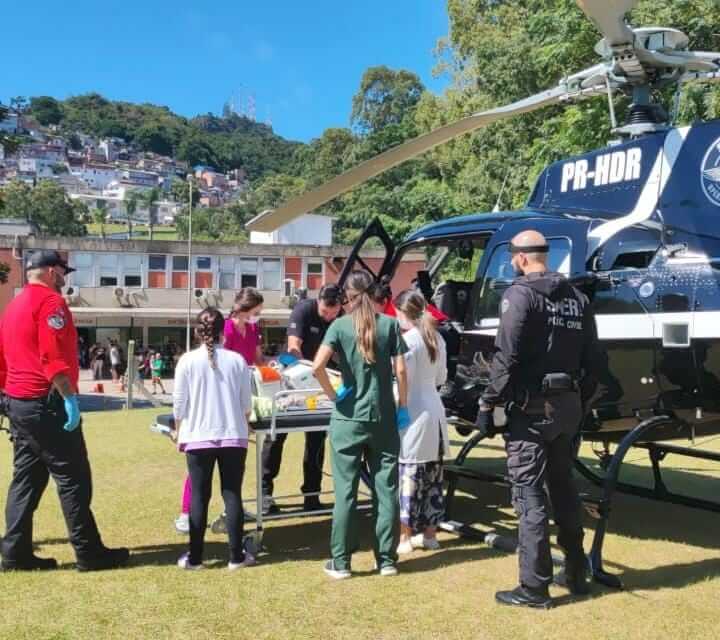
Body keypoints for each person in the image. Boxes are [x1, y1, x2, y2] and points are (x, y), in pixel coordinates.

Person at [475, 230, 603, 609]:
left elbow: (506, 357)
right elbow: (596, 361)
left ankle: (534, 587)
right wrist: (579, 400)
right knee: (563, 488)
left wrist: (487, 404)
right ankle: (577, 573)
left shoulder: (520, 294)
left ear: (519, 258)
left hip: (531, 411)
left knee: (528, 496)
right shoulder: (578, 299)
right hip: (568, 408)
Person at [0, 250, 129, 571]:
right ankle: (89, 552)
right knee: (73, 478)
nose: (65, 278)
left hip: (19, 402)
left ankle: (15, 553)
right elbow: (52, 356)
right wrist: (69, 397)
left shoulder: (13, 306)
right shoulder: (51, 304)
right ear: (49, 271)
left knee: (26, 480)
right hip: (47, 401)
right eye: (62, 272)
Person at [312, 270, 410, 579]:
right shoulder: (391, 325)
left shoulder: (339, 326)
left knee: (346, 492)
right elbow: (402, 371)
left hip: (348, 418)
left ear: (350, 298)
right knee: (386, 489)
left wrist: (335, 396)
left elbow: (317, 366)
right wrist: (402, 406)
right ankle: (387, 560)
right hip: (383, 418)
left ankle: (341, 562)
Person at [172, 307, 255, 570]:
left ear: (198, 331)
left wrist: (177, 429)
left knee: (199, 496)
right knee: (232, 494)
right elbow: (246, 403)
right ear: (223, 331)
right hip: (232, 435)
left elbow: (179, 404)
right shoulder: (237, 361)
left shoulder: (186, 360)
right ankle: (236, 556)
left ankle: (195, 557)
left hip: (197, 437)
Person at [261, 283, 343, 513]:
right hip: (293, 377)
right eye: (326, 311)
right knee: (276, 437)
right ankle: (265, 494)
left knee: (317, 438)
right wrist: (308, 368)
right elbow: (294, 346)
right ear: (319, 301)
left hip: (321, 382)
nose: (330, 315)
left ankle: (312, 494)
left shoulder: (340, 317)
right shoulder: (303, 310)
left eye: (334, 311)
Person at [393, 290, 449, 555]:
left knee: (410, 479)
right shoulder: (437, 338)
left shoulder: (408, 341)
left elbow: (404, 380)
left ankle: (405, 537)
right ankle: (430, 535)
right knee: (434, 479)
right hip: (435, 411)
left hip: (414, 412)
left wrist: (396, 405)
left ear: (403, 313)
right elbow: (441, 377)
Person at [224, 288, 265, 366]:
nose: (258, 316)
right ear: (244, 310)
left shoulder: (253, 328)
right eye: (256, 313)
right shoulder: (226, 329)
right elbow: (221, 361)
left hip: (248, 375)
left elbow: (258, 358)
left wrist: (269, 368)